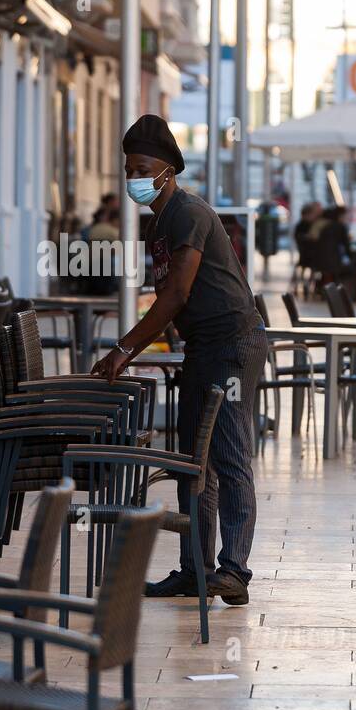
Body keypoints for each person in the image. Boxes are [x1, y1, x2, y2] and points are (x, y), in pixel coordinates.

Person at [92, 114, 267, 607]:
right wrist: (159, 347)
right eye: (128, 170)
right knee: (195, 464)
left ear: (168, 171)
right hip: (202, 347)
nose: (134, 179)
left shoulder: (189, 213)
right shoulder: (161, 223)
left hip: (233, 343)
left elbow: (176, 294)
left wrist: (126, 349)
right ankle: (195, 568)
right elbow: (170, 300)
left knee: (229, 458)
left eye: (142, 169)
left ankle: (234, 571)